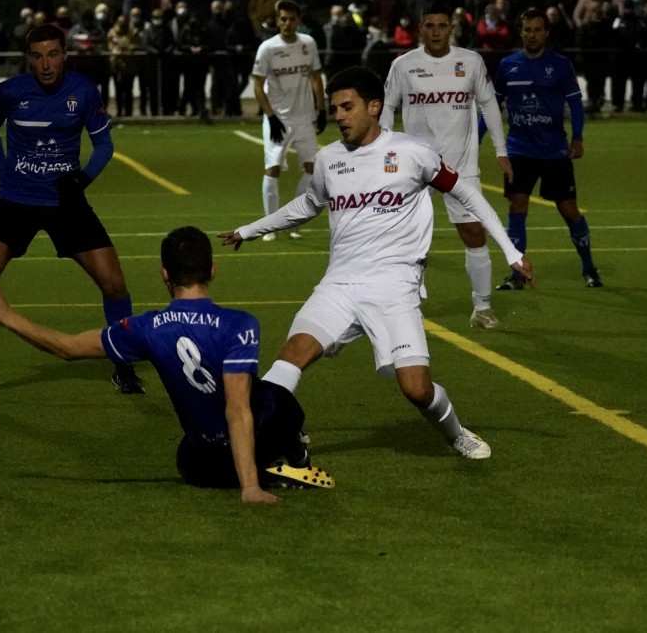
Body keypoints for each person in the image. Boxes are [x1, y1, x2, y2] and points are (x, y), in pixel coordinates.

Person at [219, 66, 534, 461]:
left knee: (416, 389)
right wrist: (250, 229)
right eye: (335, 109)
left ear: (374, 106)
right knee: (293, 354)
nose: (339, 116)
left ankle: (455, 433)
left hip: (393, 290)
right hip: (339, 285)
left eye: (347, 107)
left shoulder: (412, 153)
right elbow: (308, 204)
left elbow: (467, 195)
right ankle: (257, 435)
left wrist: (510, 250)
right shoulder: (330, 158)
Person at [0, 226, 327, 501]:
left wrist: (8, 316)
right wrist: (249, 488)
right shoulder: (240, 325)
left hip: (204, 465)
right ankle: (290, 459)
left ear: (164, 274)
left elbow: (67, 348)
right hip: (253, 444)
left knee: (187, 456)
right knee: (279, 399)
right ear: (212, 270)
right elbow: (237, 409)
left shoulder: (144, 328)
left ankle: (261, 470)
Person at [0, 22, 144, 401]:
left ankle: (124, 365)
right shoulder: (10, 92)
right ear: (27, 58)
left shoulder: (82, 91)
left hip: (67, 201)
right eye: (37, 56)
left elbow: (104, 146)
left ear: (64, 54)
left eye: (52, 54)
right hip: (16, 201)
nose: (46, 64)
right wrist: (5, 173)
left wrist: (81, 181)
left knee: (114, 283)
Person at [381, 1, 512, 330]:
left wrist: (501, 149)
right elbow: (387, 108)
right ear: (420, 29)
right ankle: (405, 303)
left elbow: (489, 106)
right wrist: (381, 150)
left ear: (451, 29)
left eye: (442, 26)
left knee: (472, 232)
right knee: (407, 237)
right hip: (414, 167)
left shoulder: (470, 62)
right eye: (430, 26)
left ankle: (482, 308)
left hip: (461, 167)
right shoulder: (403, 65)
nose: (436, 32)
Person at [493, 8, 603, 290]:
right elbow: (491, 108)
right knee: (517, 206)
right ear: (521, 32)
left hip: (554, 151)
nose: (532, 35)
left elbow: (576, 104)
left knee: (569, 210)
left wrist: (577, 138)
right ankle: (517, 275)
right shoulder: (507, 65)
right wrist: (485, 141)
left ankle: (589, 267)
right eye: (527, 30)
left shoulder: (561, 65)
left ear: (546, 32)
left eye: (538, 29)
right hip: (518, 149)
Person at [251, 0, 326, 242]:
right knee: (272, 169)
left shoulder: (309, 44)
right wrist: (270, 116)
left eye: (292, 19)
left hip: (304, 117)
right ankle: (269, 225)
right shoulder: (267, 48)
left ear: (298, 21)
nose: (287, 23)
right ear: (277, 20)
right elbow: (258, 84)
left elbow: (316, 77)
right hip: (279, 119)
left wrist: (322, 108)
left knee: (313, 171)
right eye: (283, 19)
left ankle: (291, 220)